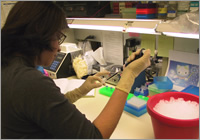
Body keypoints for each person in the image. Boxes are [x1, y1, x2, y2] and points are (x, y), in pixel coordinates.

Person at [1, 1, 151, 139]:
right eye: (56, 37)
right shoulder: (29, 82)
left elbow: (43, 110)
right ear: (38, 37)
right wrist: (129, 75)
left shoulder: (8, 67)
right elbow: (95, 136)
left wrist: (80, 91)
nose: (59, 47)